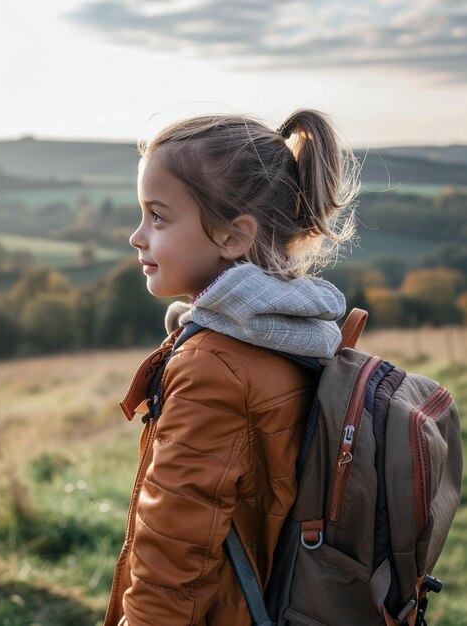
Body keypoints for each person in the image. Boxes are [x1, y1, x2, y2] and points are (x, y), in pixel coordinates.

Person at [104, 109, 359, 626]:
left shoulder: (212, 368)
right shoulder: (296, 335)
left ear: (233, 236)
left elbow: (171, 555)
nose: (137, 236)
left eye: (158, 216)